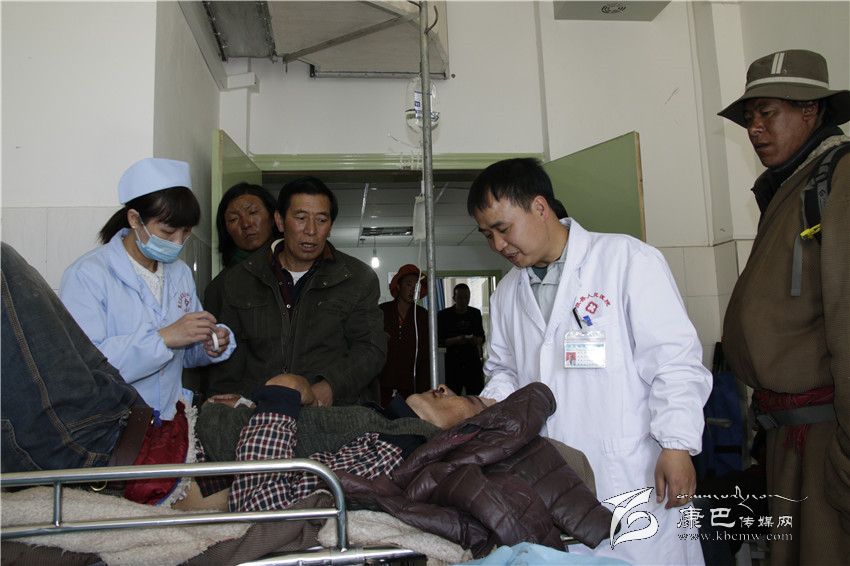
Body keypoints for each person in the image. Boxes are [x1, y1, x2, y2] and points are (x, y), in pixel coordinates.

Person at [467, 157, 712, 565]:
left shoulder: (626, 260)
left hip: (631, 470)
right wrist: (484, 407)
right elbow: (504, 371)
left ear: (540, 207)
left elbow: (674, 360)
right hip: (552, 478)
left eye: (503, 228)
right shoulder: (507, 293)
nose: (497, 245)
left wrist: (677, 444)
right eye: (486, 235)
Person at [718, 49, 850, 565]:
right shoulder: (791, 185)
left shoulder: (838, 177)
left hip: (826, 435)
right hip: (788, 433)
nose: (754, 128)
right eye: (750, 117)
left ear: (811, 110)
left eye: (767, 113)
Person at [59, 158, 235, 420]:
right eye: (167, 232)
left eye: (185, 232)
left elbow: (185, 350)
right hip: (113, 422)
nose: (178, 243)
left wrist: (210, 344)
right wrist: (163, 338)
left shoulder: (180, 273)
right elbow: (85, 365)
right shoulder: (88, 275)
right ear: (134, 219)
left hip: (170, 417)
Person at [203, 176, 386, 407]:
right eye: (301, 218)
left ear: (330, 227)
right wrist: (229, 405)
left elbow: (370, 349)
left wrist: (324, 390)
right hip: (258, 413)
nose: (311, 230)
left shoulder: (357, 278)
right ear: (280, 221)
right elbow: (227, 357)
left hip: (331, 415)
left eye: (321, 220)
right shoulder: (238, 280)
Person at [376, 264, 430, 405]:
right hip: (384, 381)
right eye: (408, 284)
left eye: (416, 286)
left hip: (412, 384)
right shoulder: (382, 311)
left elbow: (425, 354)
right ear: (399, 286)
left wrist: (424, 389)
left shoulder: (422, 316)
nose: (413, 289)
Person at [216, 182, 279, 268]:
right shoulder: (228, 276)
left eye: (253, 212)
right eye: (233, 219)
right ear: (226, 230)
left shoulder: (293, 264)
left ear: (273, 217)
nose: (245, 224)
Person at [437, 283, 486, 395]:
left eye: (466, 297)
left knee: (476, 397)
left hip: (472, 363)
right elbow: (439, 341)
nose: (463, 301)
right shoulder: (444, 315)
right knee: (451, 398)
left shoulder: (475, 313)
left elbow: (482, 337)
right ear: (454, 298)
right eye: (460, 297)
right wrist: (457, 340)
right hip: (452, 364)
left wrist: (476, 340)